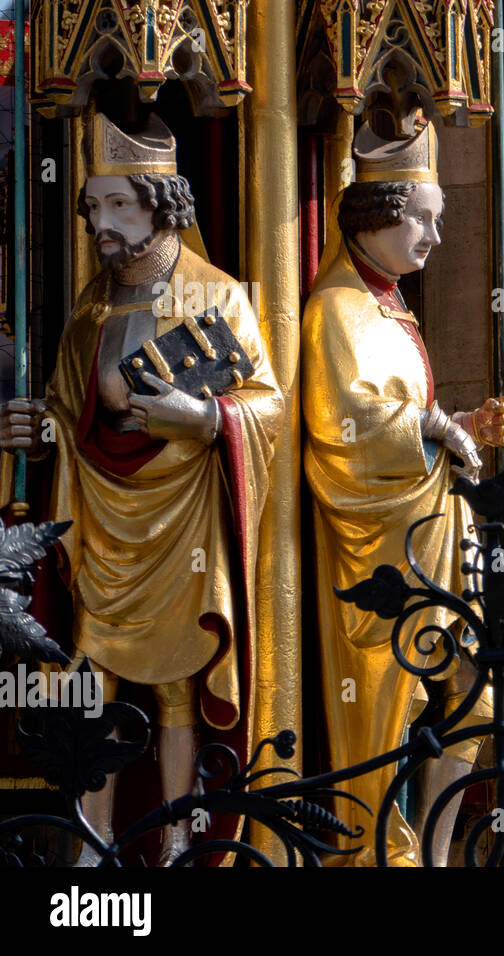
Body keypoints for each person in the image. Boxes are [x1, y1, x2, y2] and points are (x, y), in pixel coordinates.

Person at [0, 112, 284, 865]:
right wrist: (35, 432)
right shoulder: (87, 314)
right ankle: (92, 852)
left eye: (118, 205)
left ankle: (179, 844)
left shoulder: (216, 296)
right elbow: (68, 414)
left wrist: (202, 417)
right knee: (91, 680)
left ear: (162, 203)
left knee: (180, 690)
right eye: (92, 208)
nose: (101, 224)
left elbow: (267, 406)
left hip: (183, 524)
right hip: (100, 523)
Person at [301, 118, 504, 866]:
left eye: (438, 218)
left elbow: (397, 413)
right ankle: (377, 845)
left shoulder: (388, 303)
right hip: (383, 550)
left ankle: (429, 846)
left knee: (476, 697)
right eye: (420, 218)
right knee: (393, 699)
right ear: (375, 214)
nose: (433, 237)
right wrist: (434, 426)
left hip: (433, 531)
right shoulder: (336, 307)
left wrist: (467, 425)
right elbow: (344, 425)